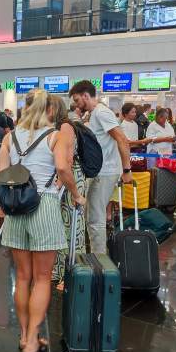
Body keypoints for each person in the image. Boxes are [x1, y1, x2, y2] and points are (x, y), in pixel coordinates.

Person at [0, 88, 84, 352]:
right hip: (43, 205)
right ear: (48, 110)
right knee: (43, 278)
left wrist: (2, 206)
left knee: (22, 277)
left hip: (15, 209)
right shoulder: (54, 136)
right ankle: (34, 338)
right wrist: (76, 193)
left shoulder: (10, 137)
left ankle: (24, 335)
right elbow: (62, 168)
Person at [69, 80, 132, 255]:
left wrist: (127, 170)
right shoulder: (94, 113)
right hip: (100, 170)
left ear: (85, 95)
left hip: (105, 172)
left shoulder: (102, 113)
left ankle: (99, 263)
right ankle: (97, 258)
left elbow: (122, 139)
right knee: (93, 218)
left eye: (76, 99)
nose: (76, 104)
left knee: (95, 219)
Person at [48, 95, 88, 290]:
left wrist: (60, 184)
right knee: (59, 227)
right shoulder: (57, 128)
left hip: (70, 179)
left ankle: (71, 274)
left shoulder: (65, 127)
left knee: (72, 227)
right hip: (63, 179)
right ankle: (57, 271)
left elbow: (68, 161)